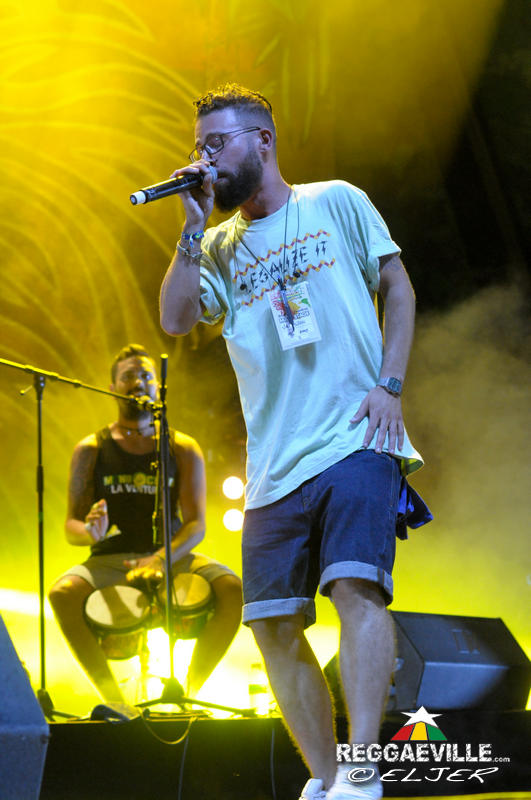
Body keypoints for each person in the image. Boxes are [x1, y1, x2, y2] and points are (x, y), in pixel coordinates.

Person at [159, 84, 432, 800]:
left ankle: (363, 769)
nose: (205, 159)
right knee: (271, 624)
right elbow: (176, 320)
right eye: (198, 147)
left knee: (355, 586)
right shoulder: (217, 246)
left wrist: (390, 384)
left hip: (355, 433)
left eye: (217, 143)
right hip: (273, 465)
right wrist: (191, 227)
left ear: (263, 140)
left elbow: (398, 289)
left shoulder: (335, 200)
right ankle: (327, 778)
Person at [49, 344, 242, 705]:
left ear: (158, 387)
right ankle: (115, 702)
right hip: (110, 560)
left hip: (171, 556)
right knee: (62, 594)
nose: (138, 382)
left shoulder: (182, 446)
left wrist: (160, 558)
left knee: (232, 588)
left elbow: (197, 525)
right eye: (128, 376)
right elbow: (70, 526)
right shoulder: (90, 448)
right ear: (112, 387)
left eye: (146, 376)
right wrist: (89, 531)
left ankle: (189, 692)